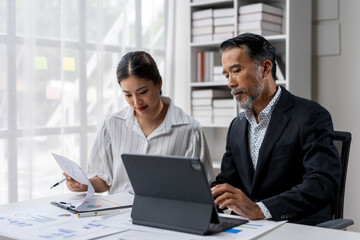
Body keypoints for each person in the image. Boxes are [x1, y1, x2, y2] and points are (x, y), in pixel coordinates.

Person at [210, 33, 341, 225]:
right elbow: (227, 181)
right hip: (250, 228)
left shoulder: (310, 115)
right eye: (227, 74)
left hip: (297, 226)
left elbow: (322, 183)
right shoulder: (237, 126)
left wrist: (260, 209)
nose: (230, 82)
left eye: (236, 71)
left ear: (265, 68)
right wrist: (206, 198)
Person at [64, 51, 214, 193]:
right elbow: (104, 179)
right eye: (128, 95)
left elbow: (202, 187)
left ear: (159, 83)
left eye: (143, 92)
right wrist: (84, 184)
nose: (136, 102)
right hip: (116, 215)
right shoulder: (112, 124)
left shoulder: (190, 129)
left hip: (166, 216)